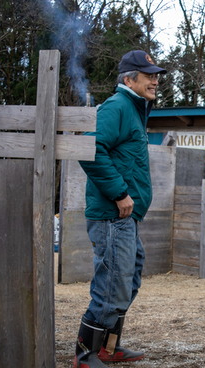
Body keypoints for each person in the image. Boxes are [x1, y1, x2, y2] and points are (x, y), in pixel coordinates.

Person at [74, 50, 167, 368]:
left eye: (156, 75)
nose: (155, 80)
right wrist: (119, 193)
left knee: (128, 282)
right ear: (129, 79)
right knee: (112, 285)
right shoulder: (118, 106)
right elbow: (89, 149)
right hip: (112, 216)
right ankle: (84, 355)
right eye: (148, 75)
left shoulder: (135, 109)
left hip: (126, 218)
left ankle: (109, 348)